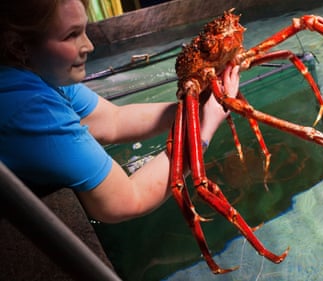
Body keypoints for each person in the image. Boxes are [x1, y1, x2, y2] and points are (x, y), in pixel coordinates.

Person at [0, 0, 240, 224]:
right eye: (71, 35)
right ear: (19, 45)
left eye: (84, 30)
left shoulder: (41, 73)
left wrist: (197, 108)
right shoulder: (31, 107)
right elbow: (126, 200)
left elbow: (114, 120)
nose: (89, 46)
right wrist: (204, 131)